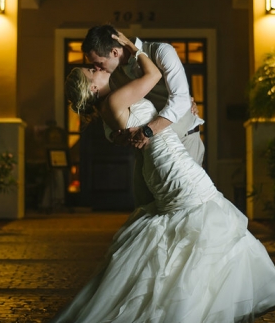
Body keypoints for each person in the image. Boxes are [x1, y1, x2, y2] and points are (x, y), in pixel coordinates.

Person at [26, 34, 275, 323]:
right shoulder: (115, 99)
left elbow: (136, 124)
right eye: (93, 72)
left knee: (186, 229)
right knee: (205, 220)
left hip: (162, 165)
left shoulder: (109, 106)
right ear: (93, 88)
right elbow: (153, 76)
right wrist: (136, 47)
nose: (97, 69)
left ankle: (185, 311)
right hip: (172, 166)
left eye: (95, 65)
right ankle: (204, 310)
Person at [82, 24, 205, 207]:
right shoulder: (112, 76)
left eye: (98, 63)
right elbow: (108, 111)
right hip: (148, 149)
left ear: (115, 52)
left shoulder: (162, 52)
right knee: (145, 205)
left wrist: (148, 131)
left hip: (184, 142)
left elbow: (179, 99)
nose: (98, 68)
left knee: (183, 206)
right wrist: (115, 136)